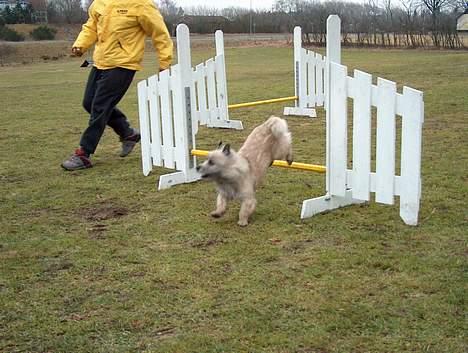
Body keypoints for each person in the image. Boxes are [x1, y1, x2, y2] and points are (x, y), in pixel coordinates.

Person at [61, 0, 173, 171]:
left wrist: (165, 62)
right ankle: (128, 133)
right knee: (89, 103)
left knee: (100, 106)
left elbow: (160, 33)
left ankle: (83, 154)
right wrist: (80, 45)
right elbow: (91, 25)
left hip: (124, 64)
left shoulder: (140, 4)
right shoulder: (100, 2)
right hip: (101, 62)